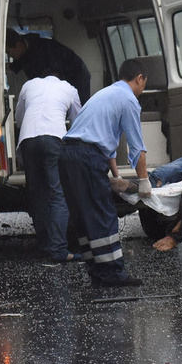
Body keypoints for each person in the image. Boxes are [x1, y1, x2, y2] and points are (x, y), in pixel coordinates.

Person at [59, 58, 151, 286]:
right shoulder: (129, 99)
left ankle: (98, 272)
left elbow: (106, 141)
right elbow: (137, 146)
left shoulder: (106, 94)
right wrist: (144, 181)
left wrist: (115, 175)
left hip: (68, 154)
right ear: (139, 78)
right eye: (144, 84)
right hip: (86, 156)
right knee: (102, 214)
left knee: (84, 216)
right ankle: (113, 274)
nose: (143, 90)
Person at [15, 71, 82, 262]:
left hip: (28, 140)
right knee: (57, 194)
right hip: (54, 138)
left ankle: (44, 245)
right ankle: (59, 249)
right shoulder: (69, 89)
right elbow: (78, 123)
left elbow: (20, 118)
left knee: (37, 194)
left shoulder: (29, 85)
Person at [6, 28, 92, 103]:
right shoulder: (27, 48)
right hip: (62, 74)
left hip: (77, 75)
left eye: (9, 52)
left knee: (78, 109)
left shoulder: (42, 50)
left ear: (18, 44)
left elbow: (51, 77)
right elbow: (23, 61)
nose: (10, 56)